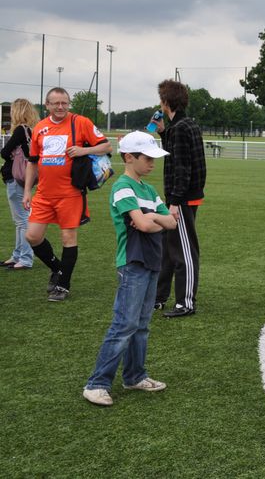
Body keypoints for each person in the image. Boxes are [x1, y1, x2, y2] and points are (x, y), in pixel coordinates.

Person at [82, 131, 178, 406]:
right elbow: (152, 225)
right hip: (133, 263)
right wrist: (155, 218)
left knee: (142, 325)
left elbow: (171, 222)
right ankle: (97, 383)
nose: (152, 163)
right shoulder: (122, 187)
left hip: (151, 262)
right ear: (129, 157)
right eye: (147, 158)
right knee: (124, 325)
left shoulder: (148, 190)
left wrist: (150, 217)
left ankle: (134, 376)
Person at [22, 87, 111, 302]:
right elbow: (33, 163)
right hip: (43, 194)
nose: (61, 107)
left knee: (68, 238)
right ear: (47, 105)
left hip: (70, 193)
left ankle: (63, 286)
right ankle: (58, 269)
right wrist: (27, 191)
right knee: (32, 236)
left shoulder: (81, 122)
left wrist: (84, 150)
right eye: (56, 103)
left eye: (64, 103)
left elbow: (107, 146)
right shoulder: (40, 128)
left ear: (68, 103)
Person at [153, 80, 207, 318]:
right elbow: (174, 155)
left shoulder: (182, 127)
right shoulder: (182, 125)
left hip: (182, 199)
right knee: (168, 248)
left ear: (166, 101)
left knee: (184, 251)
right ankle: (158, 296)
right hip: (179, 197)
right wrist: (163, 131)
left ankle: (186, 302)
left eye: (161, 99)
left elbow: (183, 168)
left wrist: (174, 202)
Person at [2, 99, 40, 270]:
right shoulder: (31, 130)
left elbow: (4, 151)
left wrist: (9, 154)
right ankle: (17, 255)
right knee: (19, 220)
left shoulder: (20, 130)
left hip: (16, 177)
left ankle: (25, 257)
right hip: (22, 178)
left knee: (22, 220)